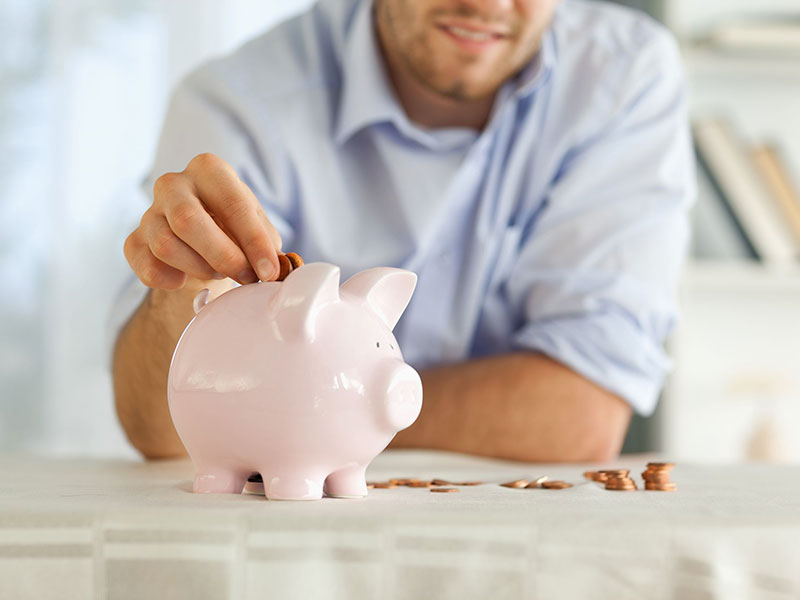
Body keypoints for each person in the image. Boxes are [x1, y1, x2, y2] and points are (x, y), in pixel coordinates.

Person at [111, 0, 694, 462]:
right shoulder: (237, 103)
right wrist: (183, 289)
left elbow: (576, 417)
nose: (486, 3)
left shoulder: (624, 78)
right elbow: (163, 432)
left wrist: (302, 404)